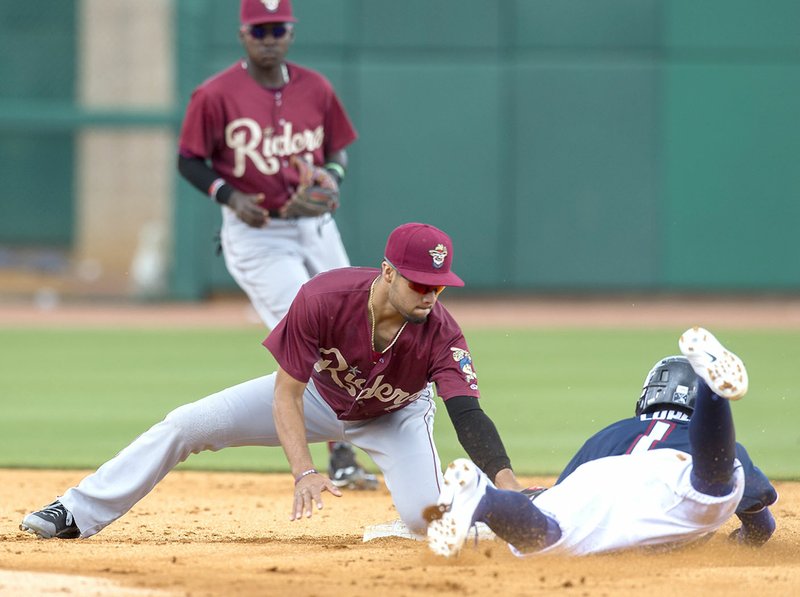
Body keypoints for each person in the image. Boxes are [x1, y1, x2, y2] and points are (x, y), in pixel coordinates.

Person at [20, 222, 524, 540]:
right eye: (420, 282)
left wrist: (508, 482)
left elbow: (468, 414)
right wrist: (304, 471)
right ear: (388, 273)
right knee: (188, 424)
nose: (431, 295)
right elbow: (287, 390)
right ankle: (76, 511)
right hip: (318, 401)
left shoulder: (442, 332)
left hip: (396, 417)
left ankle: (503, 503)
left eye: (439, 285)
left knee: (426, 521)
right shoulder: (325, 298)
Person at [176, 0, 372, 489]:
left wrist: (332, 177)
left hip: (314, 226)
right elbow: (189, 160)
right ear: (244, 34)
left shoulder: (316, 87)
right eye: (259, 30)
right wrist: (229, 196)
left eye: (277, 28)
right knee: (307, 329)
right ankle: (341, 453)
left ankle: (366, 435)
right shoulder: (215, 94)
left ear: (290, 32)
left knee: (356, 319)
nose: (269, 38)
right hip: (257, 233)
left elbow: (337, 152)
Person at [427, 327, 778, 557]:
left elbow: (555, 500)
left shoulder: (611, 433)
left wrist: (524, 499)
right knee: (713, 486)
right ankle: (712, 392)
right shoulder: (711, 444)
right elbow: (761, 525)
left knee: (548, 534)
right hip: (677, 476)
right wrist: (738, 541)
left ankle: (481, 496)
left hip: (599, 479)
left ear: (648, 396)